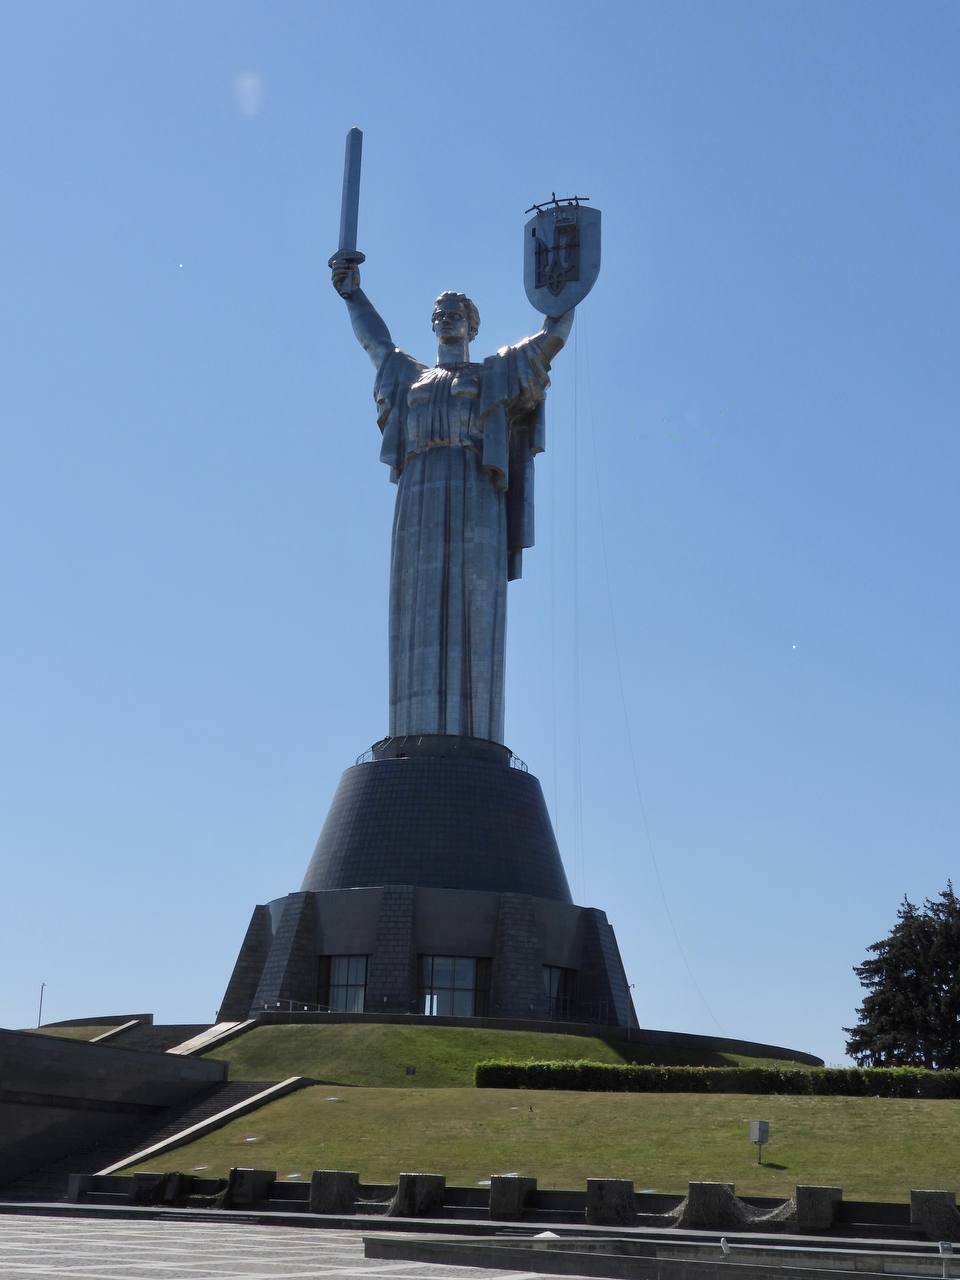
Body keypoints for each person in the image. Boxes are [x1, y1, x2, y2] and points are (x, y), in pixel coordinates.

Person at [331, 258, 573, 743]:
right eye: (440, 312)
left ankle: (471, 735)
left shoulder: (493, 375)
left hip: (473, 488)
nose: (446, 317)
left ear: (473, 325)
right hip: (418, 494)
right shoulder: (409, 378)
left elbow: (549, 343)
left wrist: (564, 297)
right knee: (415, 609)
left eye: (456, 311)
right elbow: (375, 343)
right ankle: (411, 735)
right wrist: (353, 295)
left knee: (470, 603)